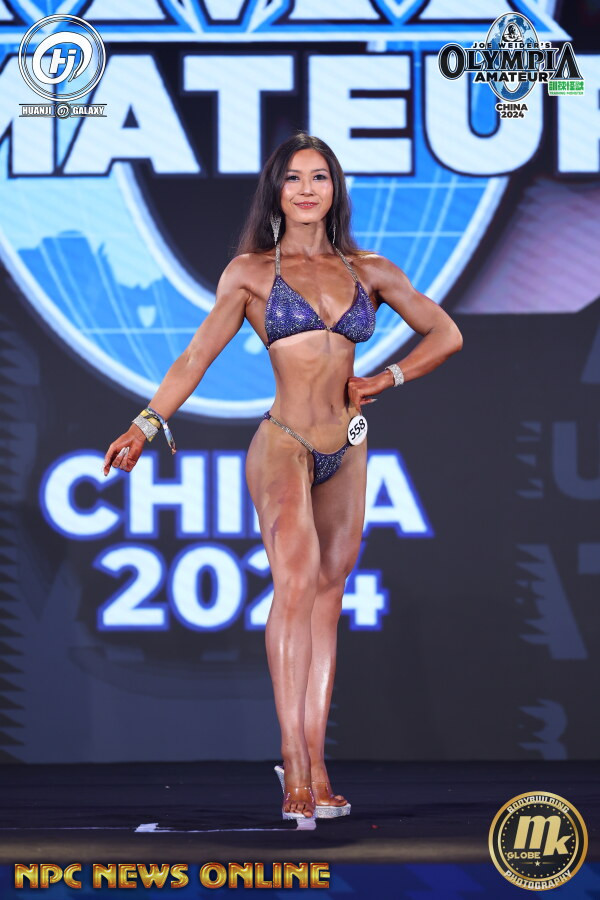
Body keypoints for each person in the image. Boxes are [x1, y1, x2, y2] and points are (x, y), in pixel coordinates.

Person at [102, 132, 463, 822]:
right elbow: (193, 358)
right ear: (276, 191)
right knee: (295, 584)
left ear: (334, 190)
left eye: (318, 177)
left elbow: (446, 333)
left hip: (347, 445)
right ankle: (293, 760)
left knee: (328, 598)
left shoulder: (371, 270)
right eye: (293, 177)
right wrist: (145, 425)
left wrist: (387, 377)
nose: (306, 189)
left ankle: (318, 764)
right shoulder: (250, 273)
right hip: (283, 443)